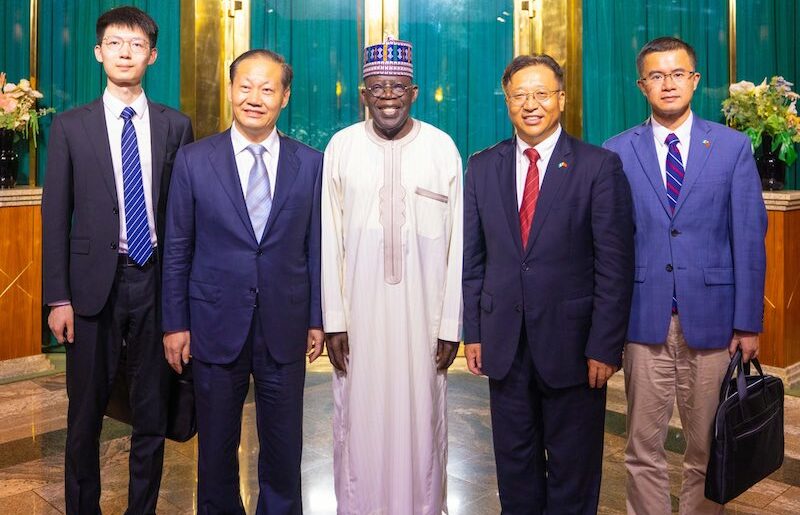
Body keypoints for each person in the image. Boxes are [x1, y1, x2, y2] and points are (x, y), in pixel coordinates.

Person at [462, 54, 634, 514]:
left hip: (575, 349)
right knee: (514, 465)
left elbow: (614, 266)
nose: (530, 104)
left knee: (573, 469)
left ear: (561, 98)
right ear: (507, 101)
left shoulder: (598, 167)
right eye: (520, 95)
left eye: (541, 94)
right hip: (505, 345)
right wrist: (473, 332)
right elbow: (472, 259)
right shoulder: (482, 166)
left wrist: (604, 345)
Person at [603, 36, 767, 515]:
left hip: (714, 324)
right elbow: (611, 247)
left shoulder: (733, 147)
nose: (668, 83)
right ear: (641, 85)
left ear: (695, 80)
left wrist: (748, 323)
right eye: (656, 75)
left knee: (707, 447)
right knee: (642, 448)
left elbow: (749, 240)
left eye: (678, 74)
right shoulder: (616, 152)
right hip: (643, 320)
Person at [41, 6, 193, 514]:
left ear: (152, 55)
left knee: (152, 409)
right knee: (84, 412)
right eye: (114, 43)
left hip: (153, 281)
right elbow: (54, 216)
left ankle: (141, 509)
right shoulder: (70, 126)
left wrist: (181, 301)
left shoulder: (177, 126)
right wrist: (57, 296)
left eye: (135, 44)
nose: (124, 52)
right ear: (98, 52)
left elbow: (181, 217)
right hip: (89, 287)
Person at [161, 49, 323, 514]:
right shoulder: (194, 161)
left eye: (268, 89)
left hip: (285, 324)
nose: (255, 98)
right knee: (214, 449)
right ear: (231, 90)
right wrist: (175, 323)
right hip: (212, 322)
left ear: (285, 97)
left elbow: (315, 248)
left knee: (283, 446)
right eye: (246, 86)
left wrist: (316, 319)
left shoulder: (310, 164)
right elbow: (177, 248)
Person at [321, 37, 463, 514]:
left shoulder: (442, 149)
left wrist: (449, 326)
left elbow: (458, 247)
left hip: (423, 324)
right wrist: (336, 321)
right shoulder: (340, 147)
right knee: (359, 426)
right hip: (358, 322)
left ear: (415, 91)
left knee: (423, 425)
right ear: (363, 93)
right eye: (377, 86)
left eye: (397, 86)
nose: (387, 95)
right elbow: (329, 240)